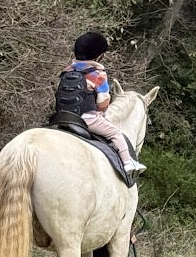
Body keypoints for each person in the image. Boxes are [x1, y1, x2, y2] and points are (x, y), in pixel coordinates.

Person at [56, 31, 146, 184]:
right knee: (116, 133)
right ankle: (129, 163)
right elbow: (103, 101)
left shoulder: (66, 71)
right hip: (87, 119)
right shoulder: (98, 73)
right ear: (99, 56)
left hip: (62, 116)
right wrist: (101, 111)